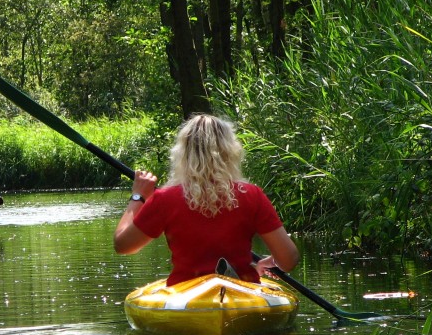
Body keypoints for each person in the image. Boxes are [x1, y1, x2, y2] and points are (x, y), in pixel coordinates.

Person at [114, 114, 299, 285]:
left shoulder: (165, 198)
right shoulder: (252, 195)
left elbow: (123, 245)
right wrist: (272, 261)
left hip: (186, 294)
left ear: (183, 154)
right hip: (242, 289)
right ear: (230, 151)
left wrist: (138, 196)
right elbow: (288, 260)